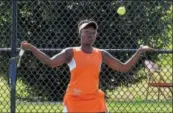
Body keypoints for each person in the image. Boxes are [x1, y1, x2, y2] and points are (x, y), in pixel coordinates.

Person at [20, 19, 154, 112]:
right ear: (80, 34)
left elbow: (124, 67)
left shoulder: (101, 54)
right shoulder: (70, 52)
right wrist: (31, 47)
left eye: (93, 32)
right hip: (74, 100)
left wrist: (140, 50)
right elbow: (50, 62)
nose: (90, 34)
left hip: (94, 101)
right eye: (87, 31)